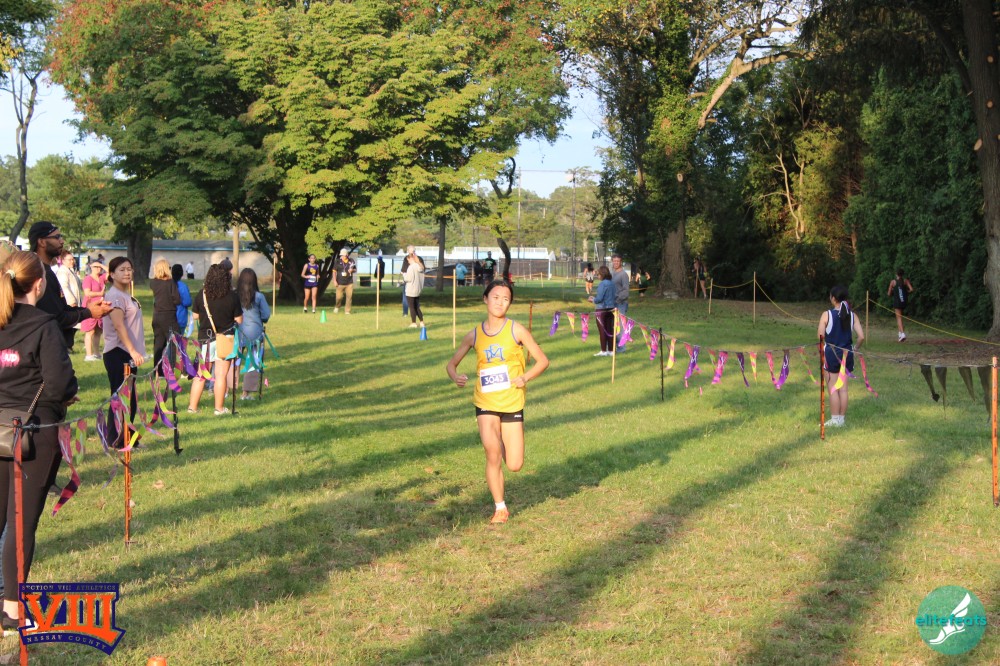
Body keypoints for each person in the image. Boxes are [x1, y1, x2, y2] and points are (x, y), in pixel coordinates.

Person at [0, 250, 77, 632]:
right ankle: (13, 611)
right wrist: (66, 393)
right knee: (20, 522)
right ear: (40, 284)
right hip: (32, 432)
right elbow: (61, 384)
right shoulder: (44, 325)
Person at [446, 280, 549, 524]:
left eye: (505, 299)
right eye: (495, 297)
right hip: (485, 402)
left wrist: (525, 377)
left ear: (510, 303)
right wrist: (456, 377)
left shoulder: (517, 330)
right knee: (492, 453)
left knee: (514, 464)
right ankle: (500, 508)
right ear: (485, 299)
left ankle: (500, 439)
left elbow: (543, 361)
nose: (500, 302)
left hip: (512, 402)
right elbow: (451, 364)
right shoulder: (474, 334)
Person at [29, 221, 112, 351]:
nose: (62, 241)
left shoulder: (47, 270)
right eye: (57, 237)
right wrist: (89, 312)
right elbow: (55, 317)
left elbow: (61, 309)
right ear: (41, 242)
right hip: (45, 348)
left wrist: (89, 309)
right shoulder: (39, 273)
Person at [101, 257, 146, 447]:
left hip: (128, 353)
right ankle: (118, 440)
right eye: (122, 270)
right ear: (112, 274)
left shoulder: (125, 295)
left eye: (129, 269)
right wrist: (133, 351)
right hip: (118, 352)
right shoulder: (115, 297)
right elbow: (118, 326)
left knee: (130, 398)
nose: (127, 273)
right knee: (121, 398)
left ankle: (127, 438)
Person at [189, 264, 243, 415]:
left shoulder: (202, 295)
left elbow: (195, 316)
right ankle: (218, 408)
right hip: (225, 338)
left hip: (205, 338)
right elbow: (239, 319)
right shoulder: (232, 296)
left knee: (201, 374)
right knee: (221, 375)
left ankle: (192, 407)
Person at [818, 285, 865, 427]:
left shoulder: (826, 314)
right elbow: (861, 337)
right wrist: (855, 349)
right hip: (847, 354)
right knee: (843, 389)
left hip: (832, 354)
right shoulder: (853, 315)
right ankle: (841, 419)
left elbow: (820, 336)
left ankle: (835, 419)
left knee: (833, 387)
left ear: (833, 298)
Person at [236, 268, 270, 400]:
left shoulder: (235, 295)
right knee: (253, 361)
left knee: (235, 360)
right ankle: (246, 392)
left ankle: (227, 388)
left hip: (239, 332)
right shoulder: (259, 297)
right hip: (255, 333)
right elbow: (266, 315)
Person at [149, 258, 181, 374]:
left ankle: (158, 370)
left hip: (157, 315)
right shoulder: (170, 283)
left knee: (158, 343)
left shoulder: (153, 283)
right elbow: (177, 300)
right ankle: (171, 368)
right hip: (169, 315)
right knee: (172, 342)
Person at [81, 260, 107, 361]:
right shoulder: (88, 279)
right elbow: (87, 293)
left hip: (100, 307)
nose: (98, 269)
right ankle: (88, 355)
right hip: (90, 307)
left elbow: (112, 273)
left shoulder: (102, 277)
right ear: (91, 267)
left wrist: (101, 265)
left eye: (99, 267)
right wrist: (100, 294)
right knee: (90, 331)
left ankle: (97, 354)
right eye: (95, 267)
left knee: (98, 331)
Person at [589, 266, 616, 356]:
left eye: (598, 274)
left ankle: (603, 351)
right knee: (610, 329)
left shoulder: (602, 284)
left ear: (602, 274)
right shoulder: (612, 283)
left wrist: (593, 299)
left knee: (602, 331)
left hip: (601, 310)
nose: (598, 276)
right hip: (611, 309)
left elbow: (599, 299)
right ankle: (611, 351)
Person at [887, 269, 914, 342]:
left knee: (899, 318)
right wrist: (906, 292)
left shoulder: (893, 282)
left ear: (896, 274)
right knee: (898, 317)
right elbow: (911, 289)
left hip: (897, 302)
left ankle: (902, 334)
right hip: (904, 301)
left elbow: (889, 294)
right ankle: (900, 334)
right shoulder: (905, 281)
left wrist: (893, 291)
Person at [403, 246, 425, 328]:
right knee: (417, 306)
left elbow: (408, 278)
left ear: (410, 259)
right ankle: (422, 322)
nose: (408, 262)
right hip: (418, 289)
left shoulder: (411, 267)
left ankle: (413, 323)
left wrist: (404, 275)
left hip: (411, 290)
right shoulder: (420, 267)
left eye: (408, 260)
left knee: (412, 307)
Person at [611, 254, 629, 352]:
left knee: (620, 327)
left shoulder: (623, 274)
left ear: (621, 262)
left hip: (620, 304)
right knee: (612, 326)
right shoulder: (612, 273)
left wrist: (617, 299)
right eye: (614, 261)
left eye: (618, 261)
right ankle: (612, 347)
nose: (616, 263)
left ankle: (622, 348)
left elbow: (626, 291)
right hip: (611, 304)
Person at [333, 248, 356, 314]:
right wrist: (334, 281)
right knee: (339, 297)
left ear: (347, 255)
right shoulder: (337, 261)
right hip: (340, 282)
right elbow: (334, 271)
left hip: (349, 282)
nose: (343, 256)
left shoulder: (351, 260)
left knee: (349, 297)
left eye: (344, 255)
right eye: (342, 255)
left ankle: (347, 311)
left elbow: (355, 269)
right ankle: (337, 306)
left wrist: (352, 270)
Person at [172, 264, 193, 337]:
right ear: (181, 274)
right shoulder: (182, 286)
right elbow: (187, 302)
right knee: (178, 341)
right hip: (180, 318)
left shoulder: (168, 285)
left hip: (168, 318)